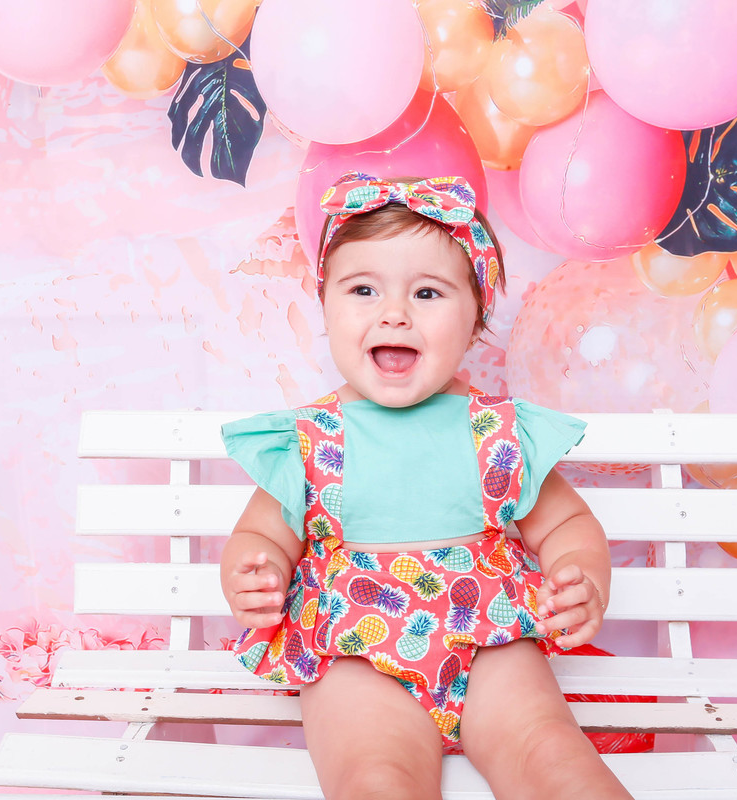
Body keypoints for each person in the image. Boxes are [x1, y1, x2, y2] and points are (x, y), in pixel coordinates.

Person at [219, 172, 631, 799]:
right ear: (326, 307)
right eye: (363, 289)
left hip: (491, 640)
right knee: (375, 778)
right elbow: (262, 535)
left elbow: (567, 525)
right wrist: (257, 575)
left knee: (550, 755)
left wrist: (583, 577)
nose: (394, 313)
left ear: (475, 319)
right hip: (357, 651)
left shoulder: (497, 430)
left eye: (428, 293)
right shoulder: (309, 439)